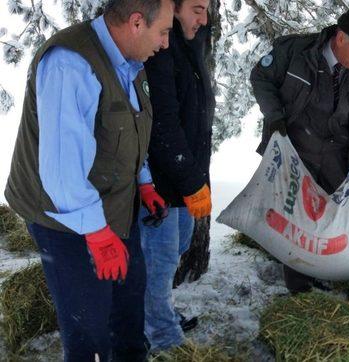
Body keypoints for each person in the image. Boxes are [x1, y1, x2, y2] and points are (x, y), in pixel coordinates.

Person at [4, 0, 174, 359]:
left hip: (114, 205)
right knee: (89, 329)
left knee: (128, 310)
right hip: (65, 219)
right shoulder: (71, 64)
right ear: (137, 23)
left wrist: (143, 181)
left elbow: (127, 128)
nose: (165, 43)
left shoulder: (131, 61)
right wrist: (98, 235)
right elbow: (62, 171)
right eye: (164, 32)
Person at [250, 1, 349, 294]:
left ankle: (323, 272)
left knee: (331, 221)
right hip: (296, 152)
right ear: (341, 37)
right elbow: (261, 78)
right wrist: (274, 117)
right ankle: (300, 292)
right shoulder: (296, 52)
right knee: (296, 222)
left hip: (337, 158)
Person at [140, 0, 213, 352]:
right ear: (174, 8)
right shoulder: (160, 53)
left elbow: (195, 121)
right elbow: (163, 127)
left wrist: (197, 181)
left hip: (186, 180)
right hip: (159, 185)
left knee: (177, 250)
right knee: (160, 262)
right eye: (197, 8)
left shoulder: (189, 49)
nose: (205, 17)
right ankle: (163, 339)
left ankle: (157, 314)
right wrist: (189, 181)